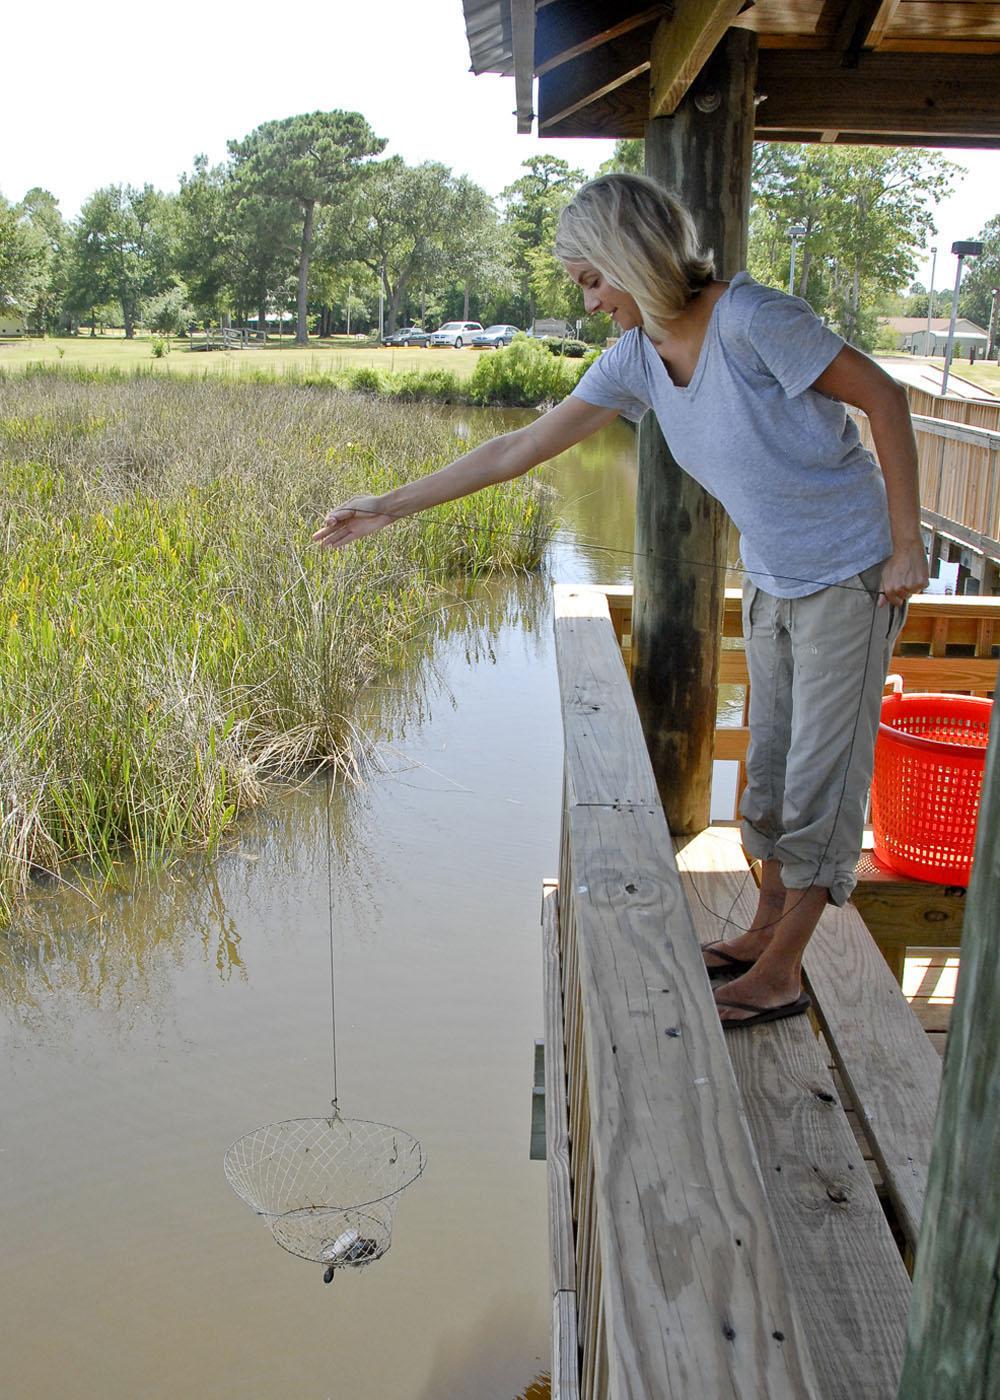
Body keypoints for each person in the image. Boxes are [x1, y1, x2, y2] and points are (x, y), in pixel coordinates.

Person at [314, 173, 928, 1029]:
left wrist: (907, 543)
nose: (590, 302)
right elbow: (519, 447)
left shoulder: (755, 321)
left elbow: (883, 399)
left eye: (589, 280)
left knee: (823, 779)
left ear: (629, 259)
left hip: (850, 573)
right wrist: (386, 505)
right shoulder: (637, 358)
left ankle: (784, 974)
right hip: (775, 576)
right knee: (775, 769)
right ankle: (760, 937)